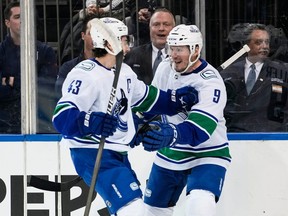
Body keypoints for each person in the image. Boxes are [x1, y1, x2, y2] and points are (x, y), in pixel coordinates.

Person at [52, 17, 199, 216]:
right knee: (133, 210)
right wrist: (91, 122)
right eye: (122, 38)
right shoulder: (85, 74)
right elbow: (61, 117)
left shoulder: (124, 71)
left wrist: (175, 100)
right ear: (106, 42)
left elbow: (148, 98)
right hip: (92, 153)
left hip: (117, 153)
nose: (127, 44)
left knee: (135, 209)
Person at [136, 24, 231, 216]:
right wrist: (135, 121)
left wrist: (170, 133)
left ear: (196, 50)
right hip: (171, 151)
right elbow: (153, 103)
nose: (174, 55)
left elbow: (199, 131)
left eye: (180, 49)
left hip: (207, 152)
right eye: (171, 49)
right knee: (151, 211)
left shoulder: (210, 82)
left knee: (200, 205)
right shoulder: (165, 68)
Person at [0, 1, 58, 133]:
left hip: (38, 123)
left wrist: (10, 83)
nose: (23, 21)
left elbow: (46, 88)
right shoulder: (1, 52)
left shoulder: (45, 51)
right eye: (17, 17)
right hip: (3, 124)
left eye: (25, 16)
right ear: (7, 22)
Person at [221, 23, 288, 132]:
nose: (265, 46)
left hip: (272, 137)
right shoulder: (229, 72)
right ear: (246, 46)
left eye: (267, 42)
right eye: (259, 42)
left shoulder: (283, 71)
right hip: (236, 136)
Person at [124, 8, 175, 84]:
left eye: (166, 24)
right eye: (156, 24)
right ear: (150, 28)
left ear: (174, 29)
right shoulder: (133, 55)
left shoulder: (181, 57)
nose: (161, 28)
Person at [55, 14, 97, 100]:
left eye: (99, 33)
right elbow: (59, 95)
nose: (96, 37)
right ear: (83, 35)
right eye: (91, 33)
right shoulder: (68, 67)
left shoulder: (111, 67)